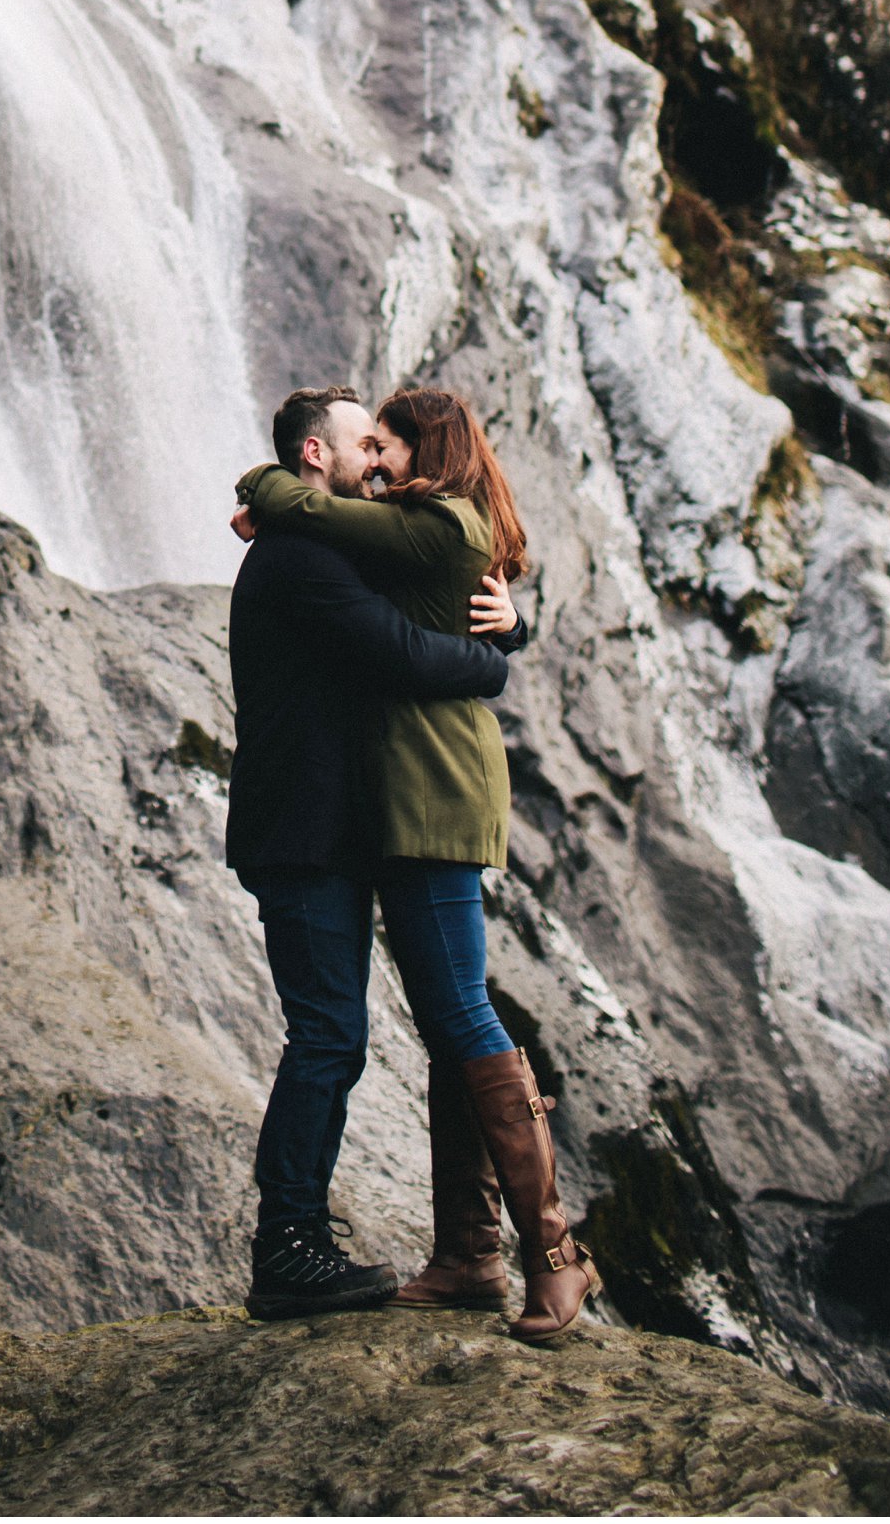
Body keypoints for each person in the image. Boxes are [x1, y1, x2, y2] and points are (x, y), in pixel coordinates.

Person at [233, 382, 601, 1346]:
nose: (381, 462)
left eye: (391, 445)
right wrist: (493, 661)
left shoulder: (365, 531)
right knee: (335, 1035)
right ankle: (296, 1247)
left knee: (432, 1020)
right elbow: (400, 647)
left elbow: (435, 589)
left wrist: (505, 636)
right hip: (311, 833)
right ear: (320, 459)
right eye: (367, 445)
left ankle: (512, 1253)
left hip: (379, 822)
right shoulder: (311, 551)